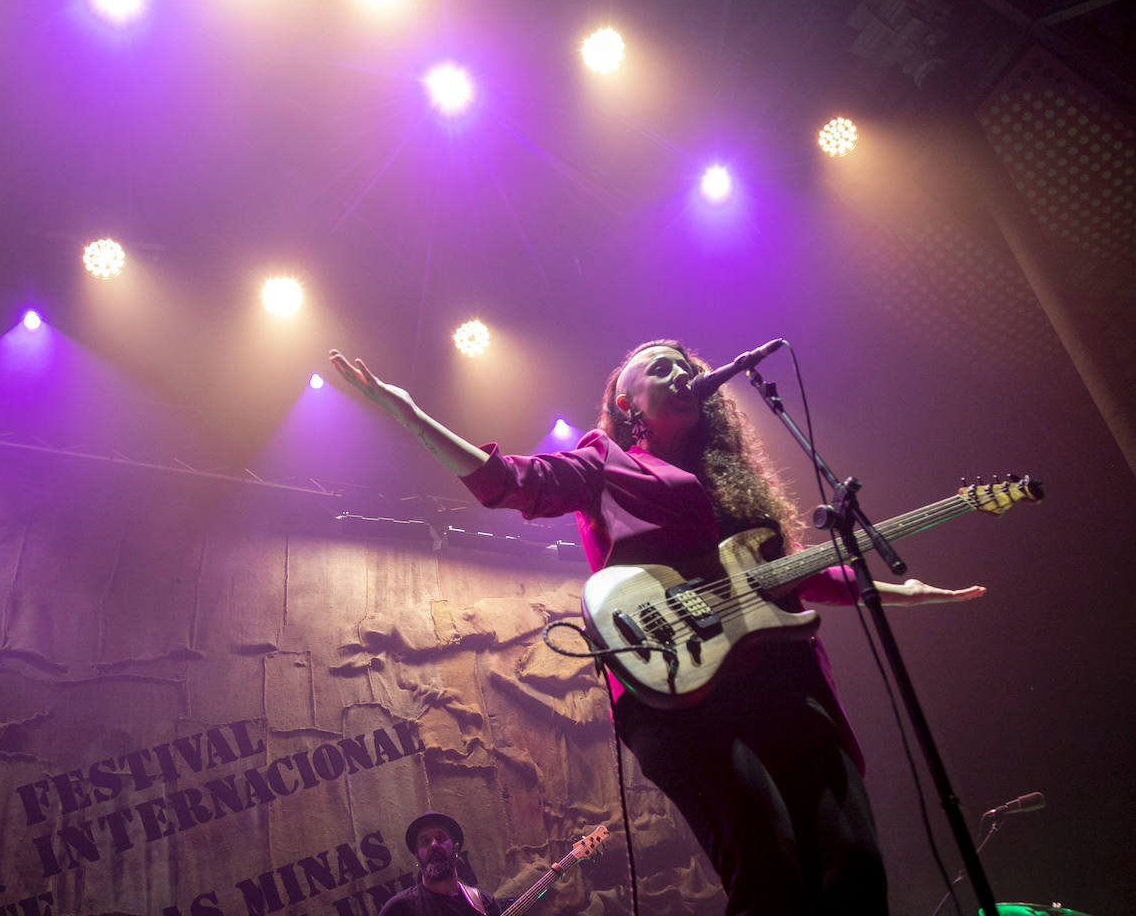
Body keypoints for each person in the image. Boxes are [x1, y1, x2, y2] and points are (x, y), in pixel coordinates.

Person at [330, 340, 986, 916]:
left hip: (787, 678)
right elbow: (510, 482)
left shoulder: (736, 485)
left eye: (686, 365)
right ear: (626, 400)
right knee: (771, 877)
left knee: (854, 871)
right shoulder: (603, 463)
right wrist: (412, 418)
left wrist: (894, 591)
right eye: (661, 367)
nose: (681, 373)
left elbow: (780, 576)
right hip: (679, 688)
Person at [377, 811, 502, 916]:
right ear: (417, 855)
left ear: (456, 849)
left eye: (440, 838)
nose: (434, 845)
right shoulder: (399, 908)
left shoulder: (485, 902)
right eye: (425, 841)